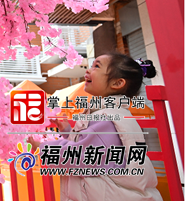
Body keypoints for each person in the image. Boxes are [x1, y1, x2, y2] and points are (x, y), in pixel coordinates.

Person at [39, 53, 162, 201]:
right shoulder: (111, 114)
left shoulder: (106, 119)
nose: (88, 70)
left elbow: (79, 156)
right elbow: (90, 148)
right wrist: (66, 131)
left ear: (117, 83)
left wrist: (41, 147)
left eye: (97, 66)